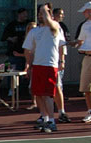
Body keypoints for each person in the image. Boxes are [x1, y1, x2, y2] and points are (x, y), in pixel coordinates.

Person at [23, 3, 66, 133]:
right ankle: (45, 118)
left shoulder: (55, 27)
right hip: (37, 65)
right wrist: (29, 65)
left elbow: (61, 46)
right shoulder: (34, 31)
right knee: (38, 94)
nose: (42, 15)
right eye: (40, 13)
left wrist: (62, 60)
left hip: (50, 65)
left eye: (45, 13)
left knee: (47, 95)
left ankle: (52, 121)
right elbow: (28, 49)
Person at [53, 8, 71, 123]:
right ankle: (45, 114)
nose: (62, 16)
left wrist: (62, 60)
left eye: (62, 14)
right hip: (45, 63)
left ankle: (61, 112)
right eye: (60, 14)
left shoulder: (60, 27)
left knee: (58, 86)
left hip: (56, 62)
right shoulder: (42, 28)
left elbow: (62, 45)